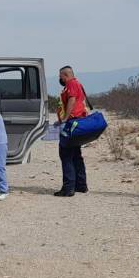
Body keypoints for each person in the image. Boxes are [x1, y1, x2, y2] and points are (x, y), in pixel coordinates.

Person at [55, 65, 89, 197]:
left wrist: (65, 118)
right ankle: (81, 185)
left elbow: (72, 100)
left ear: (66, 75)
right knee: (76, 155)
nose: (60, 79)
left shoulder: (71, 84)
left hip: (72, 124)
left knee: (66, 154)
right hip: (76, 123)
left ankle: (68, 188)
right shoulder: (77, 83)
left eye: (60, 76)